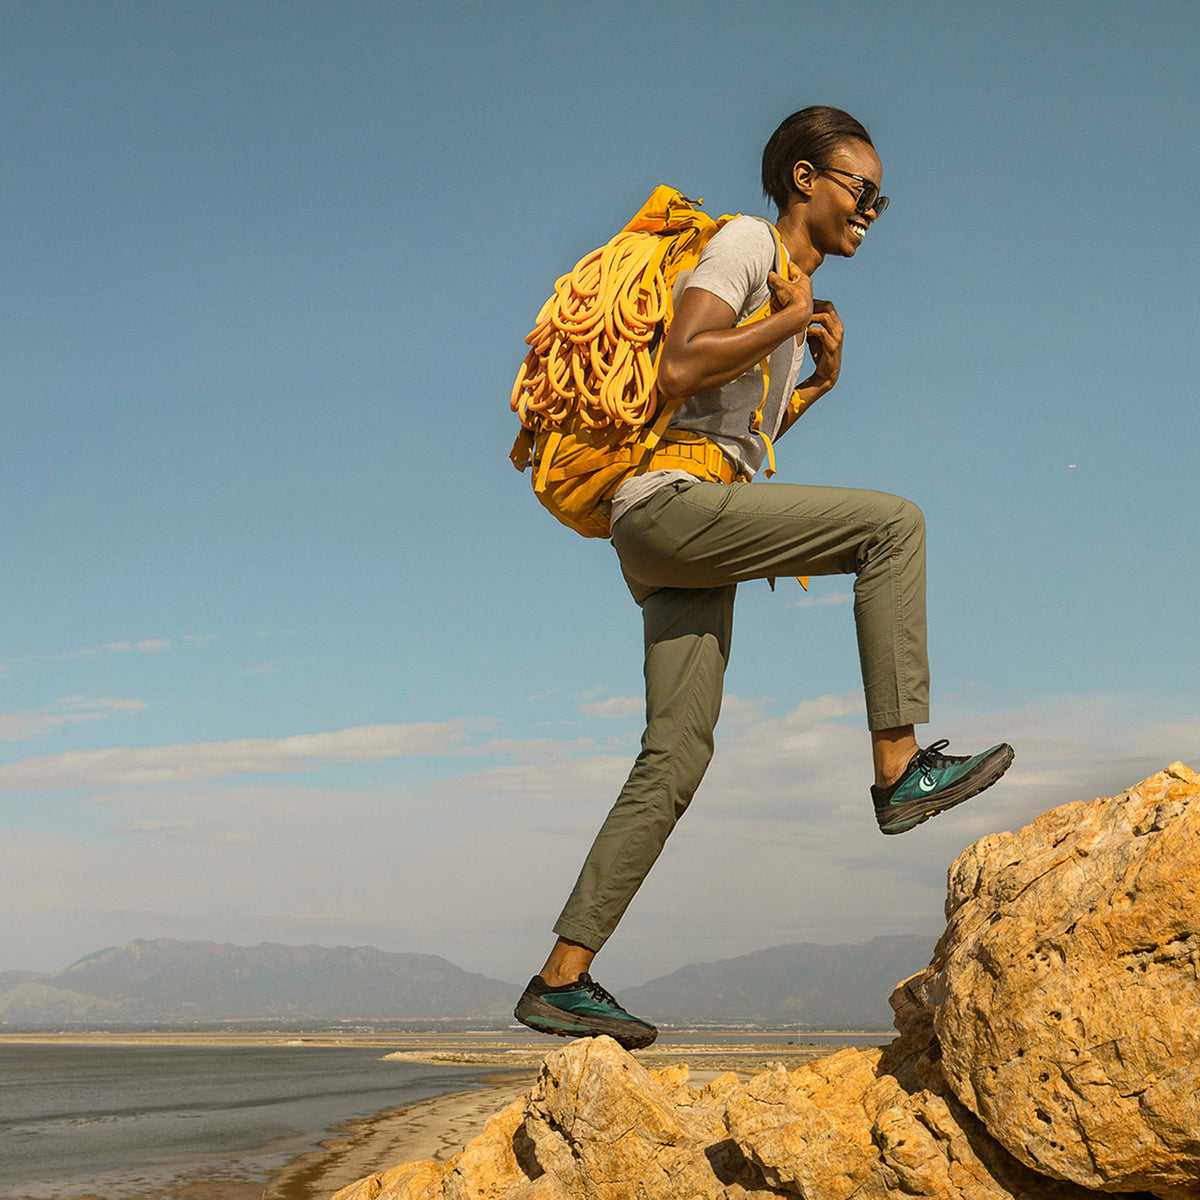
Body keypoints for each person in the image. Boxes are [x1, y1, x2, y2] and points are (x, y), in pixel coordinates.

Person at [513, 106, 1013, 1049]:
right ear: (803, 181)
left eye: (881, 196)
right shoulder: (747, 245)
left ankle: (560, 979)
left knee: (678, 753)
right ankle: (899, 769)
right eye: (861, 188)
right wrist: (785, 317)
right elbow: (679, 367)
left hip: (685, 519)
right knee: (891, 526)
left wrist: (812, 384)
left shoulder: (789, 301)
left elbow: (733, 451)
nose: (873, 207)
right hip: (664, 509)